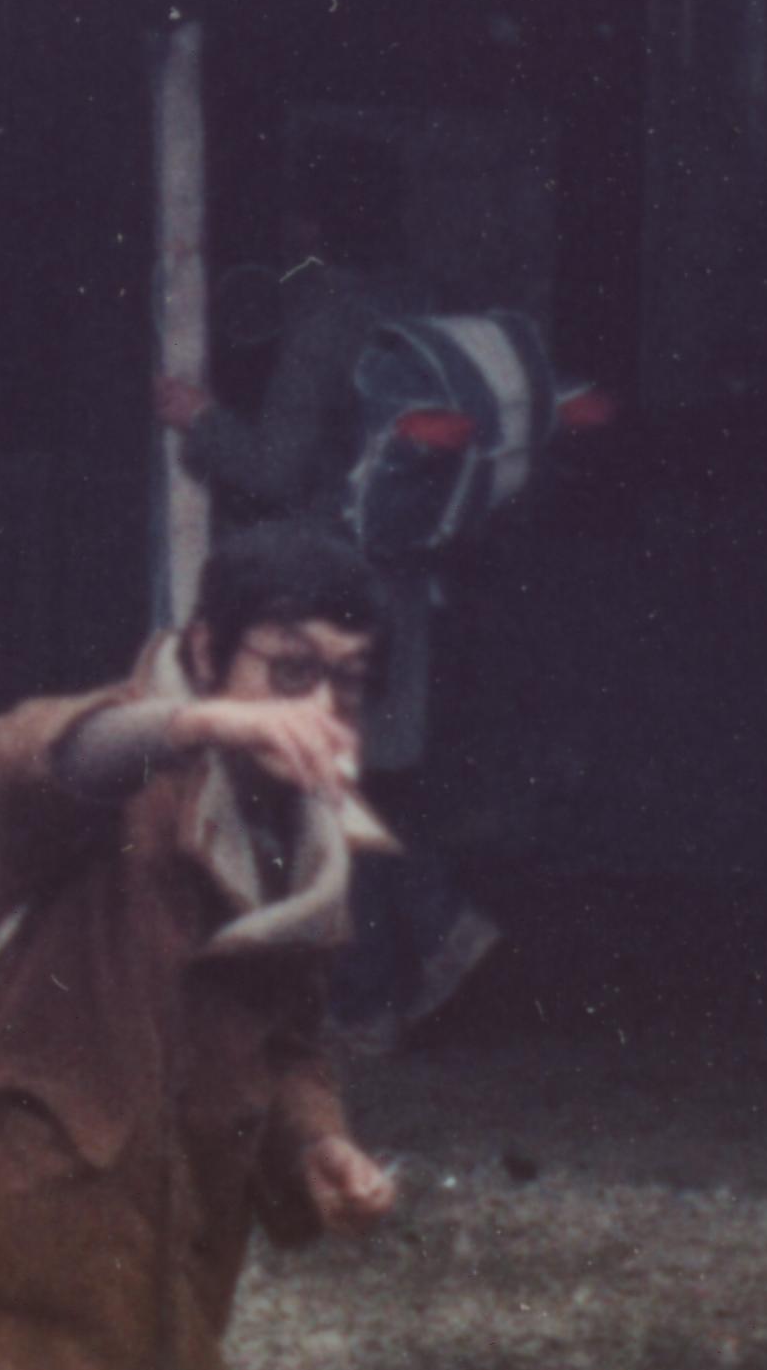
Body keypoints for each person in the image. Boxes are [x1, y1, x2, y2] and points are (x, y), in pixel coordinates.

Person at [0, 522, 412, 1370]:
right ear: (205, 649)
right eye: (289, 669)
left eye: (346, 681)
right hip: (19, 1256)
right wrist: (201, 723)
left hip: (182, 1252)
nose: (317, 709)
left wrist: (320, 1142)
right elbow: (27, 759)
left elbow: (288, 1043)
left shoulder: (309, 832)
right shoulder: (118, 765)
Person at [166, 149, 516, 1038]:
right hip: (405, 578)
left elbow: (276, 468)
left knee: (319, 781)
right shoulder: (415, 302)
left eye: (294, 225)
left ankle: (363, 1000)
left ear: (312, 230)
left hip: (331, 584)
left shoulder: (325, 314)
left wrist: (197, 419)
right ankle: (440, 931)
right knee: (366, 777)